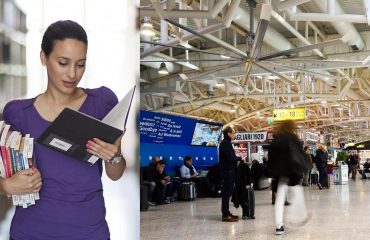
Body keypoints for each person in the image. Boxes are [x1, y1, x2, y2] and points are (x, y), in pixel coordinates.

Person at [0, 20, 126, 240]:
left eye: (80, 64)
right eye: (62, 62)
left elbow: (115, 174)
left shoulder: (102, 102)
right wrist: (5, 186)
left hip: (89, 232)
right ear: (43, 58)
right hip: (30, 233)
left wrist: (114, 157)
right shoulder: (17, 113)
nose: (72, 74)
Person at [266, 120, 309, 235]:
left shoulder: (276, 139)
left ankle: (279, 226)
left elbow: (270, 157)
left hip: (280, 174)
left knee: (280, 198)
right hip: (292, 171)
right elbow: (299, 154)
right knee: (298, 192)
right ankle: (297, 217)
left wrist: (271, 172)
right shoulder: (293, 138)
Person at [218, 126, 238, 222]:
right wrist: (239, 159)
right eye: (233, 133)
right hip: (227, 172)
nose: (234, 135)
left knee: (228, 193)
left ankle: (227, 212)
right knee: (226, 194)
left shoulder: (227, 143)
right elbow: (231, 158)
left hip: (229, 171)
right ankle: (225, 214)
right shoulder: (225, 144)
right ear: (229, 134)